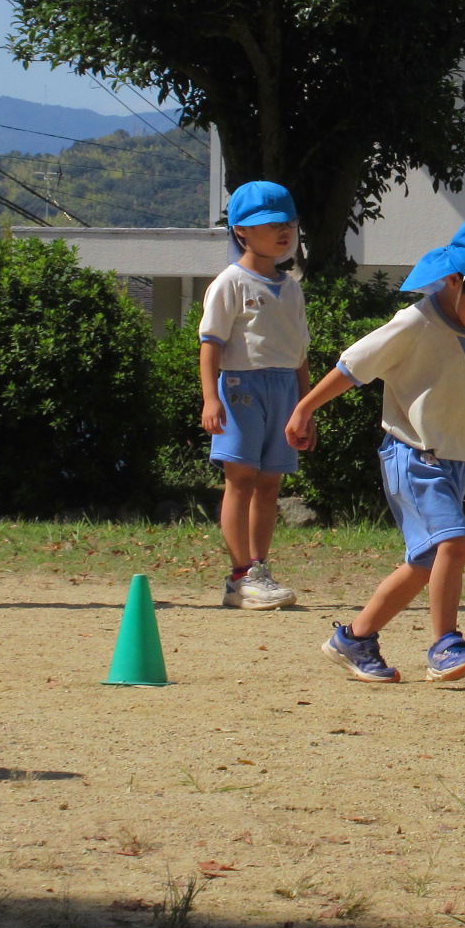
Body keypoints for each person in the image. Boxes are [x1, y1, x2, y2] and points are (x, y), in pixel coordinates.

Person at [285, 217, 465, 683]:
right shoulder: (416, 322)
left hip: (452, 456)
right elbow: (353, 365)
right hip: (414, 456)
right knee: (455, 542)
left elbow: (464, 391)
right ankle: (445, 646)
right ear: (457, 280)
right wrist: (305, 408)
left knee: (422, 564)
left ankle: (354, 638)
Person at [199, 181, 311, 611]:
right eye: (271, 225)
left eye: (289, 223)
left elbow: (299, 353)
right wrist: (212, 399)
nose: (283, 233)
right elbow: (210, 343)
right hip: (241, 388)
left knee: (270, 483)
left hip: (284, 388)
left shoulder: (293, 287)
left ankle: (259, 569)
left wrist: (305, 406)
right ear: (242, 231)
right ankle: (240, 574)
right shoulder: (230, 282)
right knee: (240, 479)